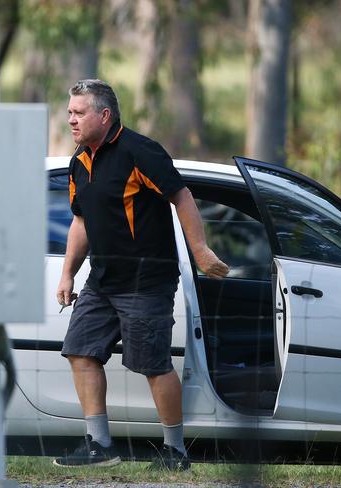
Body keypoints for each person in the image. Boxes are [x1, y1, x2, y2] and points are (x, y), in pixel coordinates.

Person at [54, 79, 229, 470]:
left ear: (105, 115)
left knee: (152, 363)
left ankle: (175, 452)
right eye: (69, 113)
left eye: (79, 113)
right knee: (80, 351)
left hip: (147, 281)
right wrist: (68, 273)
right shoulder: (79, 161)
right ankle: (99, 445)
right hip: (101, 281)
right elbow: (80, 221)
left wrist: (200, 250)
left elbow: (181, 196)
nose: (71, 120)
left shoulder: (141, 152)